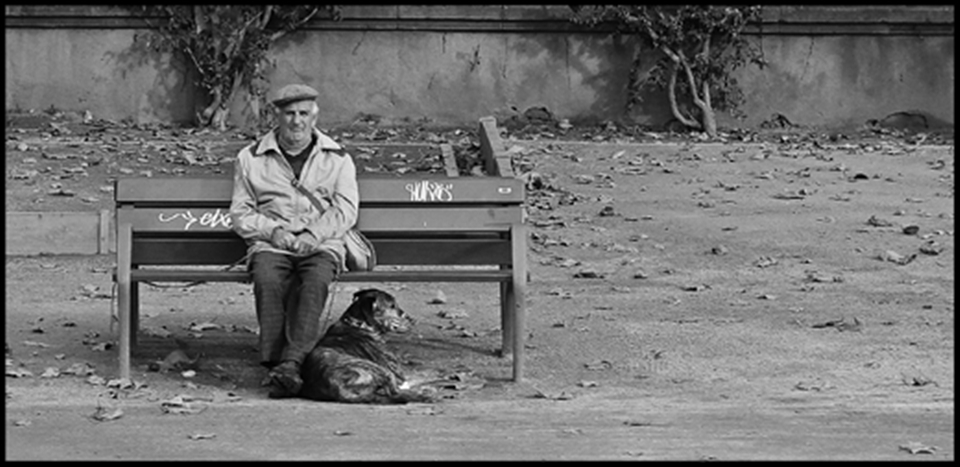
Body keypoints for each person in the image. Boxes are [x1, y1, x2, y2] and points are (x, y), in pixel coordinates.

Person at [229, 83, 359, 398]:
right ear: (277, 115)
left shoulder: (338, 158)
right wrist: (273, 232)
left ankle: (290, 364)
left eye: (303, 113)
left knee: (315, 282)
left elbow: (346, 209)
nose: (296, 121)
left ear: (314, 116)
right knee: (267, 278)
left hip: (321, 243)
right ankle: (277, 363)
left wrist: (314, 234)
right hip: (272, 242)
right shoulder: (251, 157)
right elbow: (240, 212)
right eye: (289, 113)